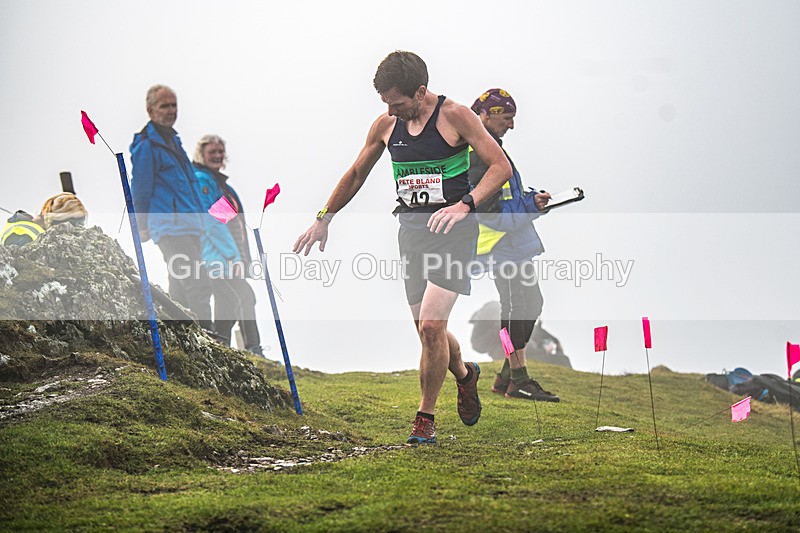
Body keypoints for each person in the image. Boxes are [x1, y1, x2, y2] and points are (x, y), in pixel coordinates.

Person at [294, 51, 512, 444]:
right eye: (385, 102)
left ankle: (424, 419)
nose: (390, 110)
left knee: (431, 326)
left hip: (455, 232)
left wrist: (466, 205)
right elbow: (357, 172)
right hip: (411, 232)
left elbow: (500, 167)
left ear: (421, 91)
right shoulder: (385, 124)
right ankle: (465, 375)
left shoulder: (456, 116)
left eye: (397, 102)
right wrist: (324, 217)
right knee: (428, 332)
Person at [466, 88, 560, 402]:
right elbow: (492, 216)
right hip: (501, 249)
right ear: (488, 115)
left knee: (531, 305)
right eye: (507, 118)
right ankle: (518, 378)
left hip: (513, 248)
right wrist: (530, 208)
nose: (512, 125)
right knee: (515, 310)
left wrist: (531, 199)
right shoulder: (479, 154)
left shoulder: (492, 148)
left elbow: (506, 202)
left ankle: (508, 375)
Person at [130, 85, 213, 331]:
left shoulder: (174, 141)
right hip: (169, 227)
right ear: (150, 110)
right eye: (164, 106)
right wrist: (141, 225)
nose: (170, 111)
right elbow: (141, 188)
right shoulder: (147, 145)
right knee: (198, 282)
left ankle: (179, 336)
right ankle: (207, 340)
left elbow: (190, 185)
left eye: (174, 105)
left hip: (191, 225)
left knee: (179, 285)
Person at [192, 135, 263, 355]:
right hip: (216, 258)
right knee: (244, 297)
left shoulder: (220, 184)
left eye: (220, 151)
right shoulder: (203, 180)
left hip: (225, 257)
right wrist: (234, 257)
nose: (217, 156)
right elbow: (212, 222)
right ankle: (254, 349)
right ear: (201, 155)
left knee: (227, 305)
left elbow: (232, 223)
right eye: (212, 152)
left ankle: (219, 349)